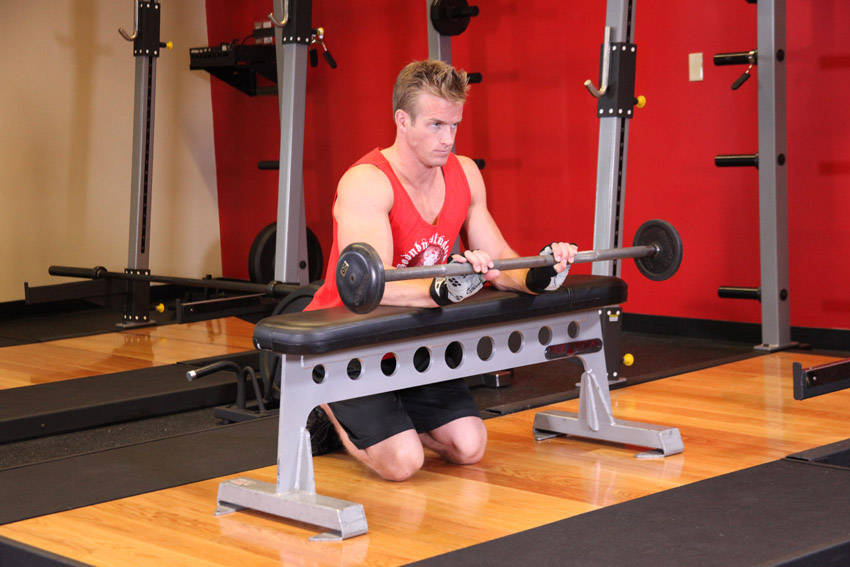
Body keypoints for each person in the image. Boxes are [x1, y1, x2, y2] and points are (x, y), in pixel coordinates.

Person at [304, 59, 577, 481]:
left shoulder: (465, 174)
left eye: (454, 125)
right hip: (349, 342)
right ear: (402, 120)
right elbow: (373, 290)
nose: (447, 138)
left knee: (469, 447)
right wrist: (447, 285)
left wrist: (542, 271)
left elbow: (500, 262)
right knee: (403, 464)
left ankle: (394, 416)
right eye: (435, 125)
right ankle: (322, 398)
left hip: (412, 342)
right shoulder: (367, 183)